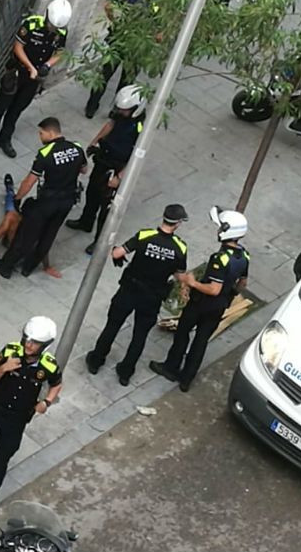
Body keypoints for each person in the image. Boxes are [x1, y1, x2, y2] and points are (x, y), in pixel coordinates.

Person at [0, 316, 63, 531]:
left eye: (34, 342)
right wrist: (4, 369)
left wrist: (46, 402)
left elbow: (57, 384)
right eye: (27, 339)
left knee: (0, 463)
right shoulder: (10, 351)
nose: (28, 345)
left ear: (44, 345)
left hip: (16, 420)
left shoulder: (48, 365)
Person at [85, 204, 189, 386]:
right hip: (152, 296)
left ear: (163, 217)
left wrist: (116, 252)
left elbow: (116, 253)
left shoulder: (145, 235)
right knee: (139, 335)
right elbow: (180, 276)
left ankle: (96, 360)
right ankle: (125, 372)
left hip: (129, 289)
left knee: (112, 325)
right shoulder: (180, 247)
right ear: (178, 223)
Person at [150, 207, 250, 392]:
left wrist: (192, 283)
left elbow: (213, 289)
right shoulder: (244, 256)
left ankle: (171, 367)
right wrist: (230, 295)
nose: (218, 231)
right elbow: (242, 282)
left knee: (183, 333)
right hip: (219, 306)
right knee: (201, 341)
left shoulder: (219, 259)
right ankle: (186, 379)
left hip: (201, 304)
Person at [0, 117, 87, 279]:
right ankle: (29, 267)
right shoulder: (76, 148)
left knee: (26, 234)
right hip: (68, 201)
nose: (40, 137)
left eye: (41, 133)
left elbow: (29, 181)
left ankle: (6, 266)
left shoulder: (45, 154)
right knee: (49, 234)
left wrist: (17, 198)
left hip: (47, 202)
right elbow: (84, 170)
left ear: (51, 132)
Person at [0, 0, 71, 159]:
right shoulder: (31, 25)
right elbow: (18, 47)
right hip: (17, 73)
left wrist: (47, 65)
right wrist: (30, 67)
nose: (52, 29)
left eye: (56, 28)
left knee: (16, 110)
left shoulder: (61, 32)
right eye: (51, 25)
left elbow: (60, 52)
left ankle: (4, 139)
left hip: (34, 79)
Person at [66, 85, 146, 253]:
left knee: (106, 207)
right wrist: (95, 141)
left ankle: (99, 242)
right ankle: (85, 222)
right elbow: (110, 124)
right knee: (92, 192)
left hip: (117, 167)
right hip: (104, 159)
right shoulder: (121, 114)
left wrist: (120, 177)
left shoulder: (140, 128)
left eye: (124, 110)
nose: (120, 112)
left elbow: (137, 156)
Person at [84, 0, 167, 118]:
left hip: (118, 41)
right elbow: (159, 37)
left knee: (104, 76)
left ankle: (91, 107)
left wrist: (115, 23)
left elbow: (108, 6)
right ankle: (116, 111)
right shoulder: (157, 8)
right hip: (137, 50)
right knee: (126, 83)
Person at [0, 173, 62, 278]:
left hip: (19, 244)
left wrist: (47, 266)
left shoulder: (29, 221)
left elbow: (43, 244)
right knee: (11, 204)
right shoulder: (15, 218)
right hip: (15, 234)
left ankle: (11, 190)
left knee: (11, 204)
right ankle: (10, 190)